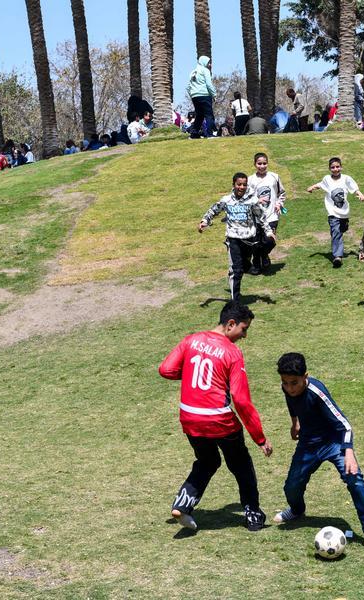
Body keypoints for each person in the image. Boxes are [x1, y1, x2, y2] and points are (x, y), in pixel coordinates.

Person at [158, 301, 273, 532]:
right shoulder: (232, 353)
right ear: (230, 324)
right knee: (241, 465)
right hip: (219, 420)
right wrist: (260, 438)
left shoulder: (191, 340)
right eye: (244, 329)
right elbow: (241, 400)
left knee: (207, 461)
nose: (245, 335)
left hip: (189, 417)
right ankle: (253, 514)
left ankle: (182, 504)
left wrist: (190, 374)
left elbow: (166, 369)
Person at [273, 353, 364, 542]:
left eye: (294, 383)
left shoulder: (317, 393)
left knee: (354, 478)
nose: (289, 388)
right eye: (285, 383)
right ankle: (297, 510)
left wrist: (348, 452)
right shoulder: (287, 389)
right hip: (308, 444)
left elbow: (345, 425)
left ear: (305, 377)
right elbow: (291, 403)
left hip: (333, 442)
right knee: (292, 487)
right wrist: (295, 423)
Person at [199, 172, 276, 302]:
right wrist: (205, 221)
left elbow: (261, 216)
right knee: (236, 270)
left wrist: (268, 232)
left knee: (244, 266)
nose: (241, 187)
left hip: (249, 241)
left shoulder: (252, 201)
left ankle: (247, 267)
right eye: (239, 184)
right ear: (233, 185)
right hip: (233, 239)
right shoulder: (226, 200)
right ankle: (236, 302)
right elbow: (214, 209)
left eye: (244, 185)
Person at [306, 157, 364, 268]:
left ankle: (339, 242)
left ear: (341, 167)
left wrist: (360, 194)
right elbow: (320, 184)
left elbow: (354, 188)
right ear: (329, 168)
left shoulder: (346, 178)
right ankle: (338, 256)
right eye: (333, 167)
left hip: (344, 212)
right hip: (332, 212)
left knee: (342, 230)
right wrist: (312, 187)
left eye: (337, 166)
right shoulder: (327, 179)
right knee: (336, 232)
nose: (335, 169)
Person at [248, 152, 286, 274]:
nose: (262, 166)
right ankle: (256, 264)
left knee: (269, 241)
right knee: (255, 242)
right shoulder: (250, 180)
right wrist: (256, 201)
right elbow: (245, 198)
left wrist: (279, 204)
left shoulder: (274, 177)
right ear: (255, 164)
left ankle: (264, 255)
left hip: (271, 215)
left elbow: (282, 193)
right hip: (255, 217)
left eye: (264, 163)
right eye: (259, 164)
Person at [187, 56, 217, 139]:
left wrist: (192, 95)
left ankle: (194, 134)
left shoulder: (193, 72)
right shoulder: (205, 70)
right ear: (204, 62)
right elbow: (209, 84)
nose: (210, 65)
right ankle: (210, 134)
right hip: (204, 95)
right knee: (209, 115)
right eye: (208, 63)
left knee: (199, 115)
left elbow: (188, 87)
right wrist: (214, 94)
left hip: (195, 96)